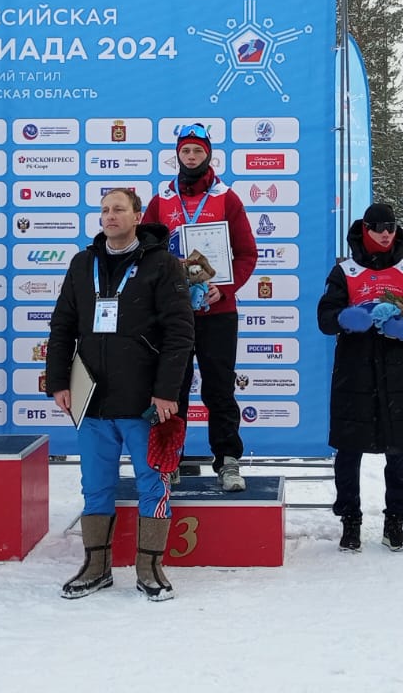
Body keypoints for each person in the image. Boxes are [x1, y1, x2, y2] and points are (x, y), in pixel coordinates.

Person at [49, 189, 195, 602]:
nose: (110, 216)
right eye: (104, 210)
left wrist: (167, 391)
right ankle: (96, 566)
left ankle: (150, 568)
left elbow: (180, 333)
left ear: (136, 216)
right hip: (92, 398)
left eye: (119, 209)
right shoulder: (83, 264)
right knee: (95, 485)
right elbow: (62, 326)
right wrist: (59, 381)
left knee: (153, 483)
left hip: (145, 402)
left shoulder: (162, 265)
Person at [141, 122, 257, 491]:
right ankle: (168, 459)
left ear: (209, 155)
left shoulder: (227, 198)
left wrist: (223, 289)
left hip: (218, 311)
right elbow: (146, 252)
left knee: (219, 387)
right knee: (172, 388)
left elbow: (246, 254)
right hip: (172, 314)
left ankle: (227, 461)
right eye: (185, 151)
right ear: (177, 155)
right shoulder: (162, 199)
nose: (191, 157)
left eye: (198, 151)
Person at [316, 202, 403, 554]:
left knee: (398, 448)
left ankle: (395, 520)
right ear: (364, 229)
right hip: (353, 370)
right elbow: (324, 317)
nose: (385, 233)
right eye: (378, 227)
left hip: (395, 372)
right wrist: (345, 318)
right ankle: (350, 519)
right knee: (349, 450)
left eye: (391, 227)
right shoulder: (345, 271)